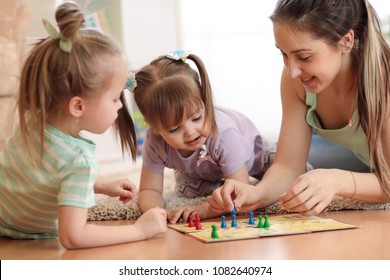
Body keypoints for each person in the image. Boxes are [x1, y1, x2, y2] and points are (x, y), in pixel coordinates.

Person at [0, 2, 167, 249]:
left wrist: (100, 184)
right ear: (78, 106)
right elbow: (74, 236)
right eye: (114, 98)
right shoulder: (79, 162)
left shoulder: (33, 118)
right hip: (16, 233)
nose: (120, 107)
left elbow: (46, 171)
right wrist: (140, 229)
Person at [207, 0, 390, 217]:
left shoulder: (383, 79)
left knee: (321, 175)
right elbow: (288, 165)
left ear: (346, 42)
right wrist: (258, 194)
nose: (292, 71)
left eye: (304, 57)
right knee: (293, 168)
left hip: (378, 161)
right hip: (359, 156)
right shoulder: (296, 80)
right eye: (284, 54)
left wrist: (336, 180)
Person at [129, 50, 271, 223]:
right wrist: (156, 212)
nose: (190, 131)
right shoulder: (154, 140)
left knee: (286, 177)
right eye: (174, 129)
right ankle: (217, 183)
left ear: (205, 101)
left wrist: (204, 210)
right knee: (188, 193)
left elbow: (239, 192)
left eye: (196, 118)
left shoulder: (225, 135)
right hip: (201, 168)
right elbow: (149, 190)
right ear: (153, 126)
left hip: (257, 156)